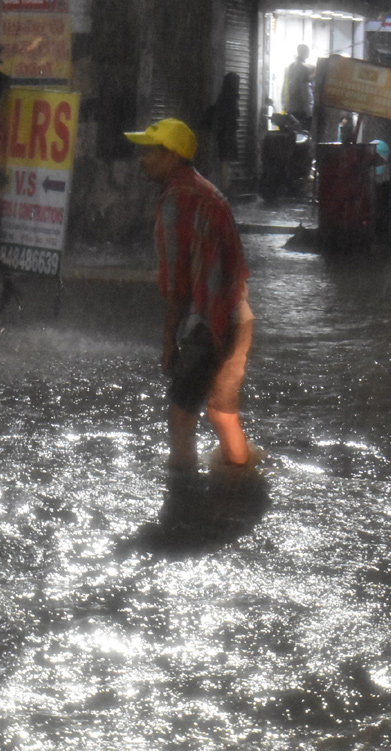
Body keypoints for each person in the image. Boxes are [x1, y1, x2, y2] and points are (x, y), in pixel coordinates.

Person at [123, 118, 255, 471]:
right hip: (238, 316)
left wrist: (169, 344)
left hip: (207, 323)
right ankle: (242, 482)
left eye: (149, 152)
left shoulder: (176, 200)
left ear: (171, 156)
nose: (142, 159)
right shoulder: (205, 190)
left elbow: (178, 286)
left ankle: (181, 504)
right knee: (222, 414)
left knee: (181, 416)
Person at [283, 44, 314, 129]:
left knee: (293, 135)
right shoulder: (304, 69)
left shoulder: (291, 67)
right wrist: (309, 113)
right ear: (305, 53)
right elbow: (306, 92)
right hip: (301, 110)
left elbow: (288, 87)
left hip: (292, 108)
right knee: (303, 136)